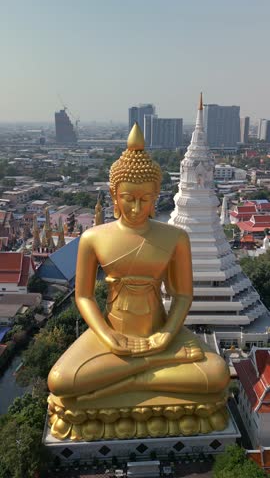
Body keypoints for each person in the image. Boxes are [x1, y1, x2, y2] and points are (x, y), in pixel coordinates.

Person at [47, 123, 230, 440]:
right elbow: (84, 297)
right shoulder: (93, 238)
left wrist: (166, 336)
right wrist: (108, 336)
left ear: (156, 197)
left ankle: (131, 380)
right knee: (61, 380)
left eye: (145, 200)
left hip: (161, 332)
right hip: (113, 333)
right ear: (114, 196)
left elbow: (183, 295)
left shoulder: (175, 237)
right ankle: (149, 370)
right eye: (129, 198)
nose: (136, 208)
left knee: (217, 375)